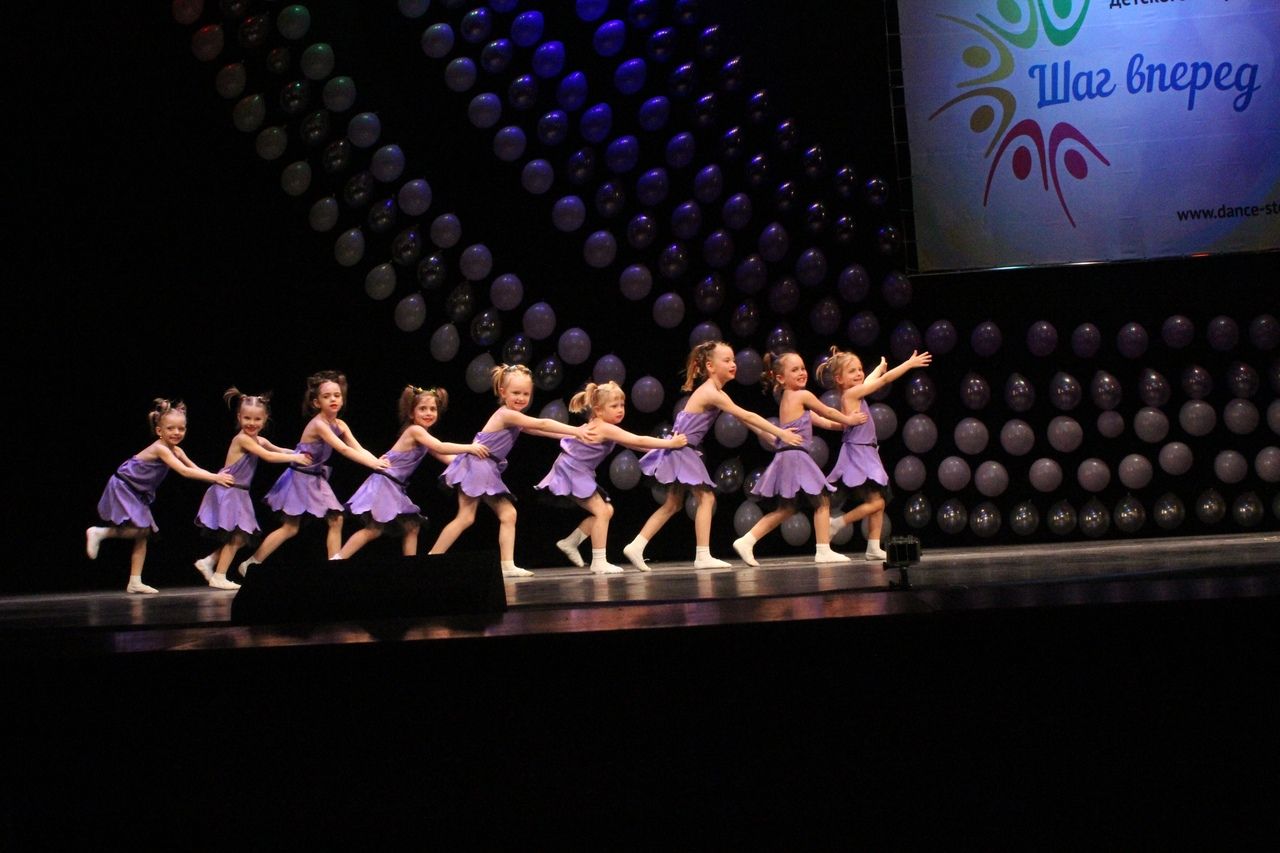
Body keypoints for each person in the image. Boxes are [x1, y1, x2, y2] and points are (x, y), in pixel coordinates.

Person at [622, 341, 804, 571]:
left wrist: (773, 439)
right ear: (710, 366)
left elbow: (745, 420)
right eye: (726, 360)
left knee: (673, 504)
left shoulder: (718, 392)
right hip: (682, 449)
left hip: (682, 449)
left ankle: (636, 545)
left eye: (733, 360)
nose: (733, 364)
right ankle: (702, 555)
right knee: (706, 499)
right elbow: (747, 415)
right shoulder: (710, 392)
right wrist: (781, 433)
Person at [428, 364, 600, 577]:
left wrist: (573, 435)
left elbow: (538, 430)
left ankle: (507, 565)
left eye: (526, 394)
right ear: (503, 392)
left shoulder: (513, 417)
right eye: (516, 393)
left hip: (485, 468)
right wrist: (575, 430)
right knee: (467, 517)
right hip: (478, 466)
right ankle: (432, 558)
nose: (521, 398)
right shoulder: (505, 415)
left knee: (507, 514)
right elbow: (542, 423)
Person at [237, 371, 387, 575]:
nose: (333, 399)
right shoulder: (319, 424)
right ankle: (251, 563)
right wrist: (373, 465)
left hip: (315, 477)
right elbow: (343, 449)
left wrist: (377, 460)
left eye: (337, 395)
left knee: (335, 519)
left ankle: (334, 566)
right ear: (317, 403)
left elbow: (357, 447)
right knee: (290, 528)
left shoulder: (340, 424)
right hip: (299, 477)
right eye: (327, 396)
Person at [731, 351, 869, 566]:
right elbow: (828, 411)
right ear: (780, 378)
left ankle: (747, 540)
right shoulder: (802, 395)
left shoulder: (790, 399)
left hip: (787, 455)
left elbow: (825, 421)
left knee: (787, 508)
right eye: (794, 370)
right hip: (795, 455)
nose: (802, 372)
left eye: (803, 368)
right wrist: (849, 419)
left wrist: (845, 425)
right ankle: (823, 550)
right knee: (822, 498)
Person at [536, 381, 687, 573]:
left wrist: (664, 448)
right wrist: (671, 444)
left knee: (606, 511)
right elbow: (638, 439)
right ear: (598, 410)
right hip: (572, 470)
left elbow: (635, 445)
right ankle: (599, 561)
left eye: (622, 405)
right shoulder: (604, 427)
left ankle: (570, 542)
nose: (620, 410)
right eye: (614, 406)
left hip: (574, 469)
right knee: (601, 512)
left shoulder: (604, 426)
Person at [86, 399, 235, 594]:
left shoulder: (177, 450)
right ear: (159, 431)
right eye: (170, 428)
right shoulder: (160, 449)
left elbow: (194, 468)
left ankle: (135, 581)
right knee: (141, 530)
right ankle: (100, 533)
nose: (176, 432)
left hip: (137, 492)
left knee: (144, 533)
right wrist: (216, 478)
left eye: (181, 428)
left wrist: (216, 477)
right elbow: (184, 471)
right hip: (124, 486)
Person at [334, 385, 489, 560]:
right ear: (411, 413)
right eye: (422, 409)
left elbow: (449, 458)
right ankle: (338, 559)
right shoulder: (415, 431)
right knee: (374, 529)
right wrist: (470, 448)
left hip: (394, 486)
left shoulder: (424, 436)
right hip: (384, 484)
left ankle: (411, 568)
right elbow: (440, 447)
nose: (428, 413)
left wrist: (475, 465)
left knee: (411, 526)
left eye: (432, 409)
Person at [819, 347, 932, 560]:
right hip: (859, 452)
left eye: (860, 369)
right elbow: (883, 381)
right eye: (852, 371)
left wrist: (878, 368)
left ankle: (873, 546)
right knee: (878, 502)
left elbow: (871, 380)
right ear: (839, 379)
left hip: (868, 452)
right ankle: (838, 523)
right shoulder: (851, 394)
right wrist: (908, 364)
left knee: (879, 500)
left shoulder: (856, 391)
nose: (859, 374)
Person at [192, 389, 312, 590]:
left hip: (239, 493)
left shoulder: (259, 440)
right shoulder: (242, 439)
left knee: (241, 537)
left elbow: (278, 450)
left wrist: (300, 452)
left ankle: (209, 561)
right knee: (237, 535)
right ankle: (219, 576)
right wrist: (296, 458)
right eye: (247, 418)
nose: (252, 423)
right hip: (229, 491)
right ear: (239, 417)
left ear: (265, 420)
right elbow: (269, 456)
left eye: (257, 419)